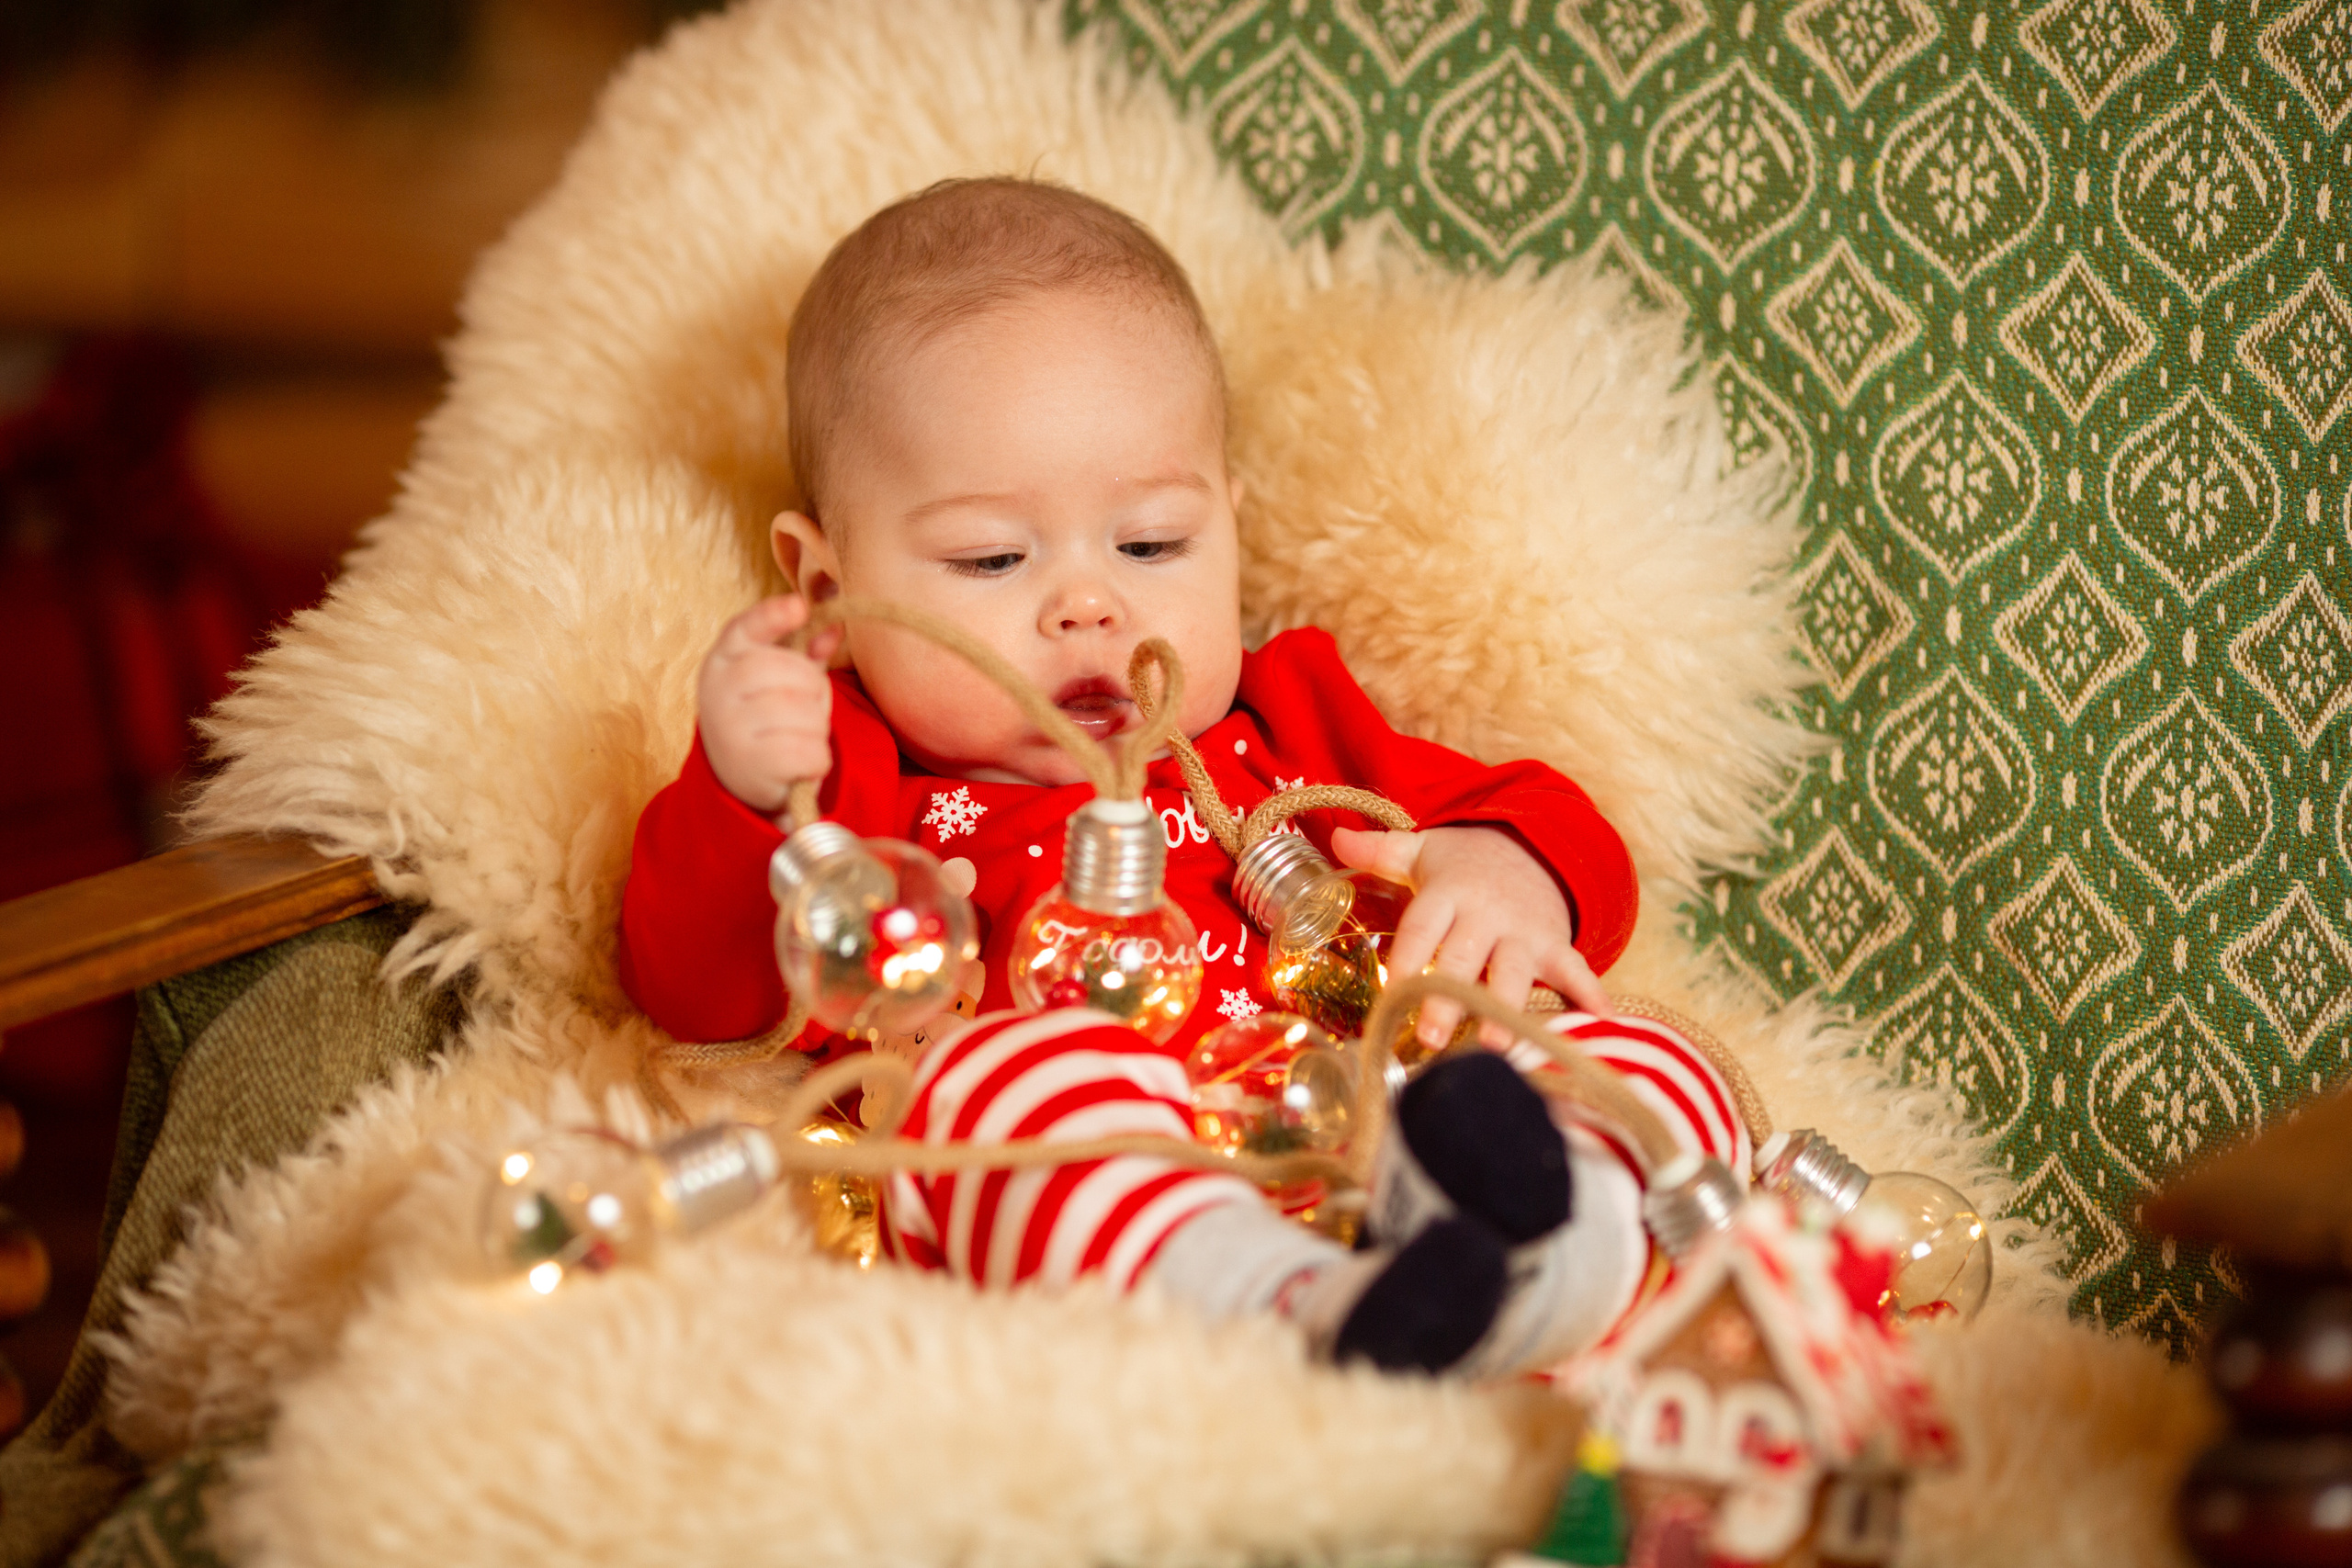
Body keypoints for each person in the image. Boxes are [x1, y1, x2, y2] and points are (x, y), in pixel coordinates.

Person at [619, 177, 1742, 1375]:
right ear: (832, 590)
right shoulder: (858, 783)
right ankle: (1291, 1308)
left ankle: (1549, 1268)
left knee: (1633, 1054)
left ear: (1232, 530)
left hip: (1390, 1130)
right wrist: (743, 790)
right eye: (992, 557)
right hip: (1129, 1226)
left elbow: (1540, 812)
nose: (1091, 604)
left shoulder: (1287, 719)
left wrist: (1504, 869)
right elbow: (700, 989)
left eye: (1153, 543)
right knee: (995, 1085)